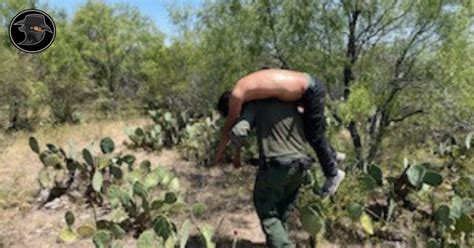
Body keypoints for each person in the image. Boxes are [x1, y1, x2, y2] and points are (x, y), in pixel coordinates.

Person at [215, 68, 344, 196]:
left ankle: (333, 174)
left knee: (315, 135)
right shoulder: (249, 89)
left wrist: (218, 155)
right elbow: (239, 130)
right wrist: (236, 155)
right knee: (309, 131)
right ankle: (332, 155)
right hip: (304, 87)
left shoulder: (238, 95)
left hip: (309, 89)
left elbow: (229, 128)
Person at [227, 98, 319, 247]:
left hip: (276, 166)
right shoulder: (291, 102)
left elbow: (239, 131)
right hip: (300, 165)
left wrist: (234, 145)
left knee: (267, 212)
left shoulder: (256, 103)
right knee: (283, 210)